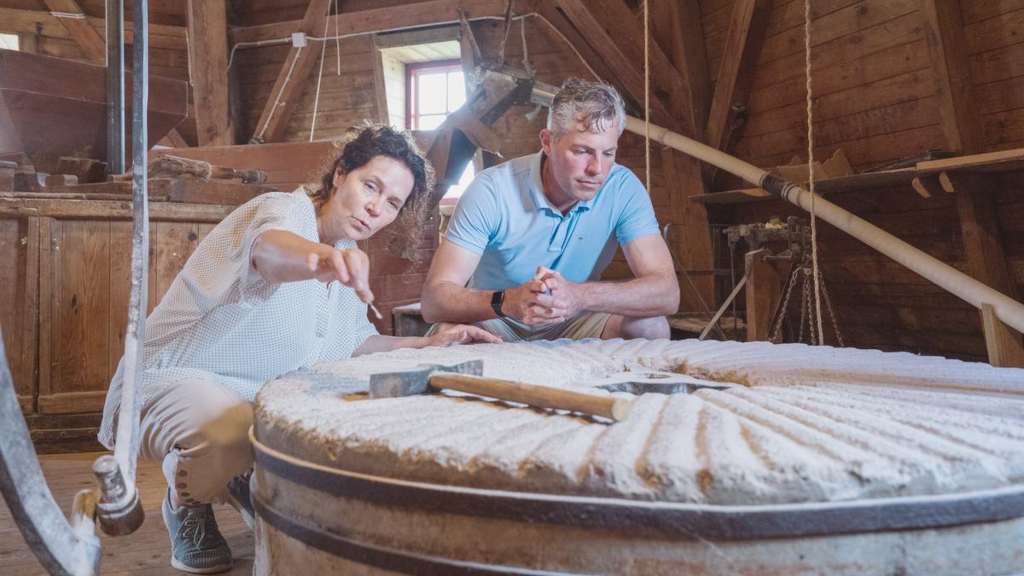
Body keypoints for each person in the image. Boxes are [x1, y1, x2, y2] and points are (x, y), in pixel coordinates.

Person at [97, 124, 499, 574]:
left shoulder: (343, 248)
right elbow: (268, 254)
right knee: (226, 430)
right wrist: (321, 261)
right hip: (172, 378)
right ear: (340, 173)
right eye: (371, 186)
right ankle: (184, 501)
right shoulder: (283, 211)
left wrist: (428, 343)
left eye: (392, 203)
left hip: (254, 403)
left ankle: (240, 471)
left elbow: (355, 344)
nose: (375, 208)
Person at [421, 78, 679, 342]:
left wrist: (580, 296)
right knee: (449, 335)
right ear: (548, 142)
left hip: (573, 319)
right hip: (497, 320)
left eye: (608, 153)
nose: (597, 169)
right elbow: (434, 300)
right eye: (582, 151)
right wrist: (509, 301)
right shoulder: (491, 190)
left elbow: (667, 292)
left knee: (650, 327)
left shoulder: (622, 187)